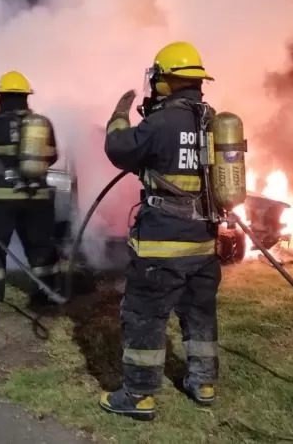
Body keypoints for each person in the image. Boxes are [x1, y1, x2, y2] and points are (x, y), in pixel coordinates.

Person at [99, 41, 222, 421]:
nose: (155, 87)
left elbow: (119, 148)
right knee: (199, 313)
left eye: (157, 80)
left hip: (163, 245)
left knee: (144, 316)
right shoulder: (212, 120)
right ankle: (203, 383)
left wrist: (120, 113)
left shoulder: (162, 122)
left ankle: (138, 395)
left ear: (166, 80)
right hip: (202, 242)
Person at [0, 70, 62, 321]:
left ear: (1, 96)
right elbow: (53, 156)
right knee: (40, 246)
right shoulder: (43, 124)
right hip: (36, 196)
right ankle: (49, 292)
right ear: (27, 97)